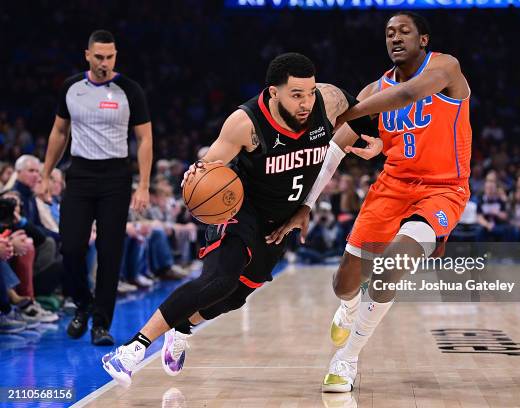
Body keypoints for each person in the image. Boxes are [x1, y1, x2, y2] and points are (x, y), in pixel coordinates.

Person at [101, 53, 382, 387]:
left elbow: (365, 117)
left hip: (281, 222)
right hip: (239, 211)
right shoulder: (245, 123)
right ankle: (132, 349)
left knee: (232, 298)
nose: (306, 102)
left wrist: (377, 141)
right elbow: (207, 171)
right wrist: (196, 176)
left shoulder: (329, 100)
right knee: (219, 280)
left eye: (309, 92)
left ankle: (180, 326)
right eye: (296, 95)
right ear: (274, 93)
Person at [269, 12, 471, 392]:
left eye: (404, 31)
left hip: (443, 190)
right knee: (344, 284)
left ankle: (346, 360)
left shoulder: (446, 68)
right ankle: (349, 307)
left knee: (391, 268)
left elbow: (409, 94)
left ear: (423, 40)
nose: (395, 38)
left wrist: (347, 112)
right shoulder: (372, 90)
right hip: (391, 187)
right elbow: (333, 152)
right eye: (389, 33)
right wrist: (306, 205)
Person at [41, 29, 153, 345]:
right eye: (99, 57)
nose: (105, 62)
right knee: (72, 247)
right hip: (79, 174)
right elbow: (59, 133)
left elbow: (144, 139)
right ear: (87, 55)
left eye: (111, 57)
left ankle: (100, 323)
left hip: (116, 177)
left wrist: (143, 184)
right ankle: (82, 304)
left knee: (109, 252)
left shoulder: (130, 90)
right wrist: (47, 173)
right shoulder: (71, 87)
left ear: (116, 56)